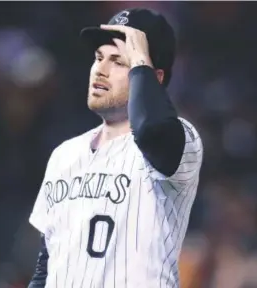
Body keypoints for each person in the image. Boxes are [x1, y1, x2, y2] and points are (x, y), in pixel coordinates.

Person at [28, 7, 203, 288]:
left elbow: (151, 130)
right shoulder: (65, 154)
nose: (101, 69)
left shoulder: (181, 139)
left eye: (119, 62)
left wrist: (140, 61)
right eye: (99, 58)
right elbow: (46, 267)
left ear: (153, 76)